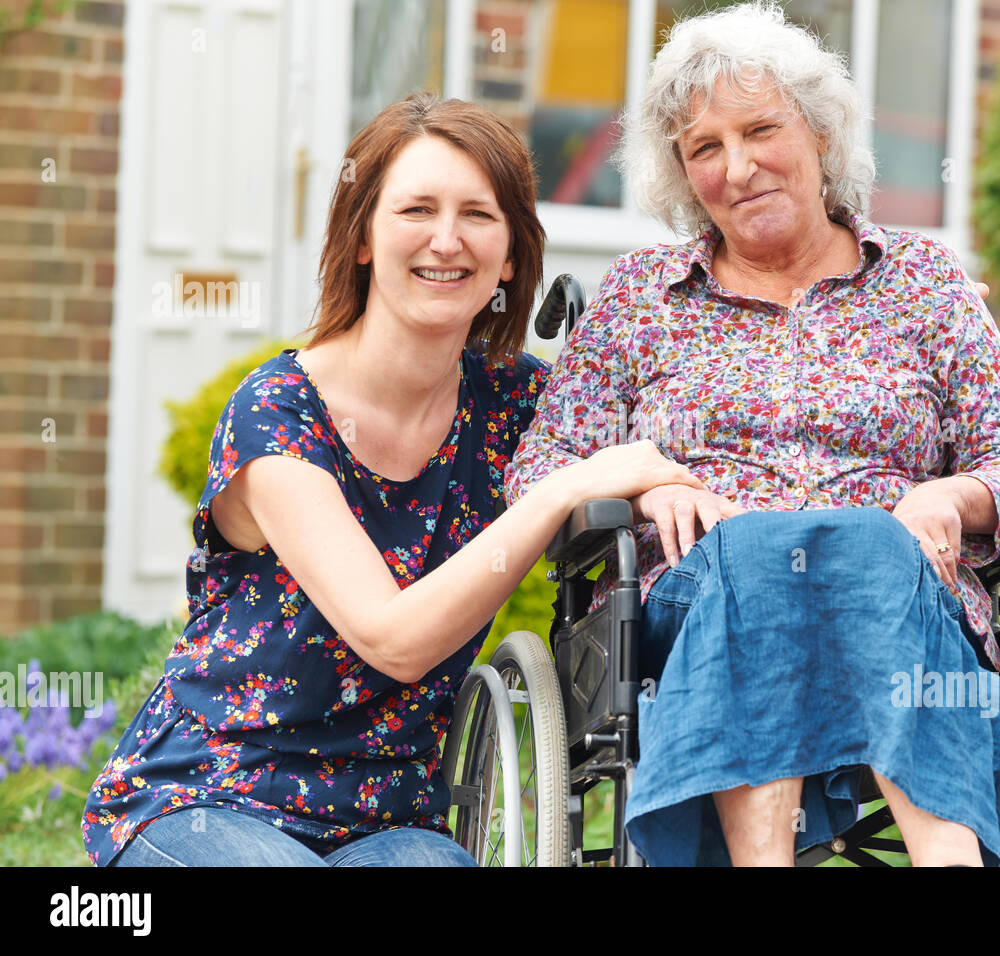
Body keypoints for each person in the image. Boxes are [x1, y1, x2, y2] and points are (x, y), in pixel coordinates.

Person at [505, 1, 1000, 867]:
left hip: (902, 604)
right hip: (697, 607)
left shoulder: (923, 285)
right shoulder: (641, 297)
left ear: (818, 135)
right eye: (704, 148)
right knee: (760, 550)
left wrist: (950, 493)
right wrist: (645, 480)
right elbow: (539, 470)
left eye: (760, 130)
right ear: (682, 172)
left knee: (857, 543)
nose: (737, 167)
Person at [82, 94, 699, 867]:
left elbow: (633, 456)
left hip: (394, 817)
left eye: (478, 214)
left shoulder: (518, 405)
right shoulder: (277, 412)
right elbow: (390, 640)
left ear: (510, 255)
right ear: (365, 236)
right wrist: (554, 493)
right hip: (209, 793)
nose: (446, 240)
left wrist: (665, 484)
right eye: (416, 209)